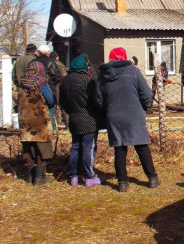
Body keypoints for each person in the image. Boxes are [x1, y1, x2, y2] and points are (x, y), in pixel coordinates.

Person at [96, 47, 160, 192]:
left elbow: (99, 100)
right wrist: (143, 108)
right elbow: (147, 94)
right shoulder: (134, 71)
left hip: (114, 115)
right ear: (124, 58)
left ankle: (122, 183)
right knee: (141, 146)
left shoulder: (102, 75)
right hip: (134, 114)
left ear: (111, 59)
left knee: (120, 148)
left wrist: (109, 109)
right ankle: (152, 178)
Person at [59, 55, 101, 187]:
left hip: (74, 119)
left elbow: (62, 102)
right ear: (84, 66)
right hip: (89, 119)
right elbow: (96, 101)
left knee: (76, 147)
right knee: (88, 147)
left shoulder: (65, 81)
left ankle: (74, 176)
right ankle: (90, 176)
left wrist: (70, 111)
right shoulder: (88, 81)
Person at [17, 60, 56, 185]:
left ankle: (29, 177)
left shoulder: (21, 82)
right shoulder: (41, 83)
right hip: (39, 118)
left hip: (25, 118)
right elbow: (50, 100)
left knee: (28, 145)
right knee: (41, 146)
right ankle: (40, 178)